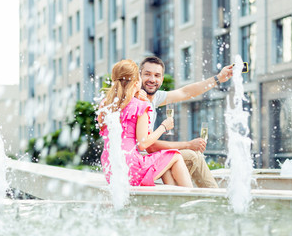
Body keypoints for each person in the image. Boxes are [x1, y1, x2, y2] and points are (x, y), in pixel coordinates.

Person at [136, 56, 233, 188]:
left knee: (191, 157)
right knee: (194, 156)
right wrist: (188, 144)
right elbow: (149, 146)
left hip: (150, 159)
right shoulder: (138, 101)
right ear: (139, 76)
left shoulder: (155, 97)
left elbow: (186, 92)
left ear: (162, 79)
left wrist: (218, 79)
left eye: (157, 75)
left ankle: (207, 198)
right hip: (141, 163)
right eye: (147, 74)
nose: (152, 79)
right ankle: (214, 198)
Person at [97, 59, 193, 187]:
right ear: (137, 82)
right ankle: (189, 194)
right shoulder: (140, 105)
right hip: (131, 168)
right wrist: (164, 126)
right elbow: (143, 143)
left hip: (110, 167)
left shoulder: (105, 104)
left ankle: (172, 197)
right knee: (175, 155)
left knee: (165, 162)